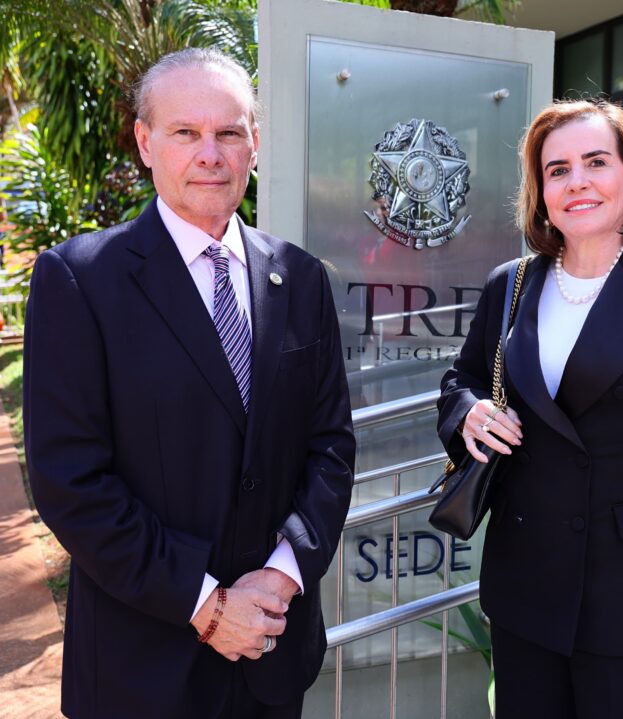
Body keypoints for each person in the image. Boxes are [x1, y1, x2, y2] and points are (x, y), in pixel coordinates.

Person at [23, 48, 355, 718]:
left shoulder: (301, 277)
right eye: (185, 132)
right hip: (142, 667)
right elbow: (71, 482)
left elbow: (331, 446)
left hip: (271, 650)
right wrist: (207, 605)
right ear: (146, 143)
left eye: (228, 132)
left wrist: (282, 574)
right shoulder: (80, 280)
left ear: (253, 144)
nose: (211, 154)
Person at [437, 99, 623, 717]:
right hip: (526, 591)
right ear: (541, 192)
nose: (576, 181)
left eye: (596, 162)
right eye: (557, 170)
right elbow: (461, 380)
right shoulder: (511, 284)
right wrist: (468, 412)